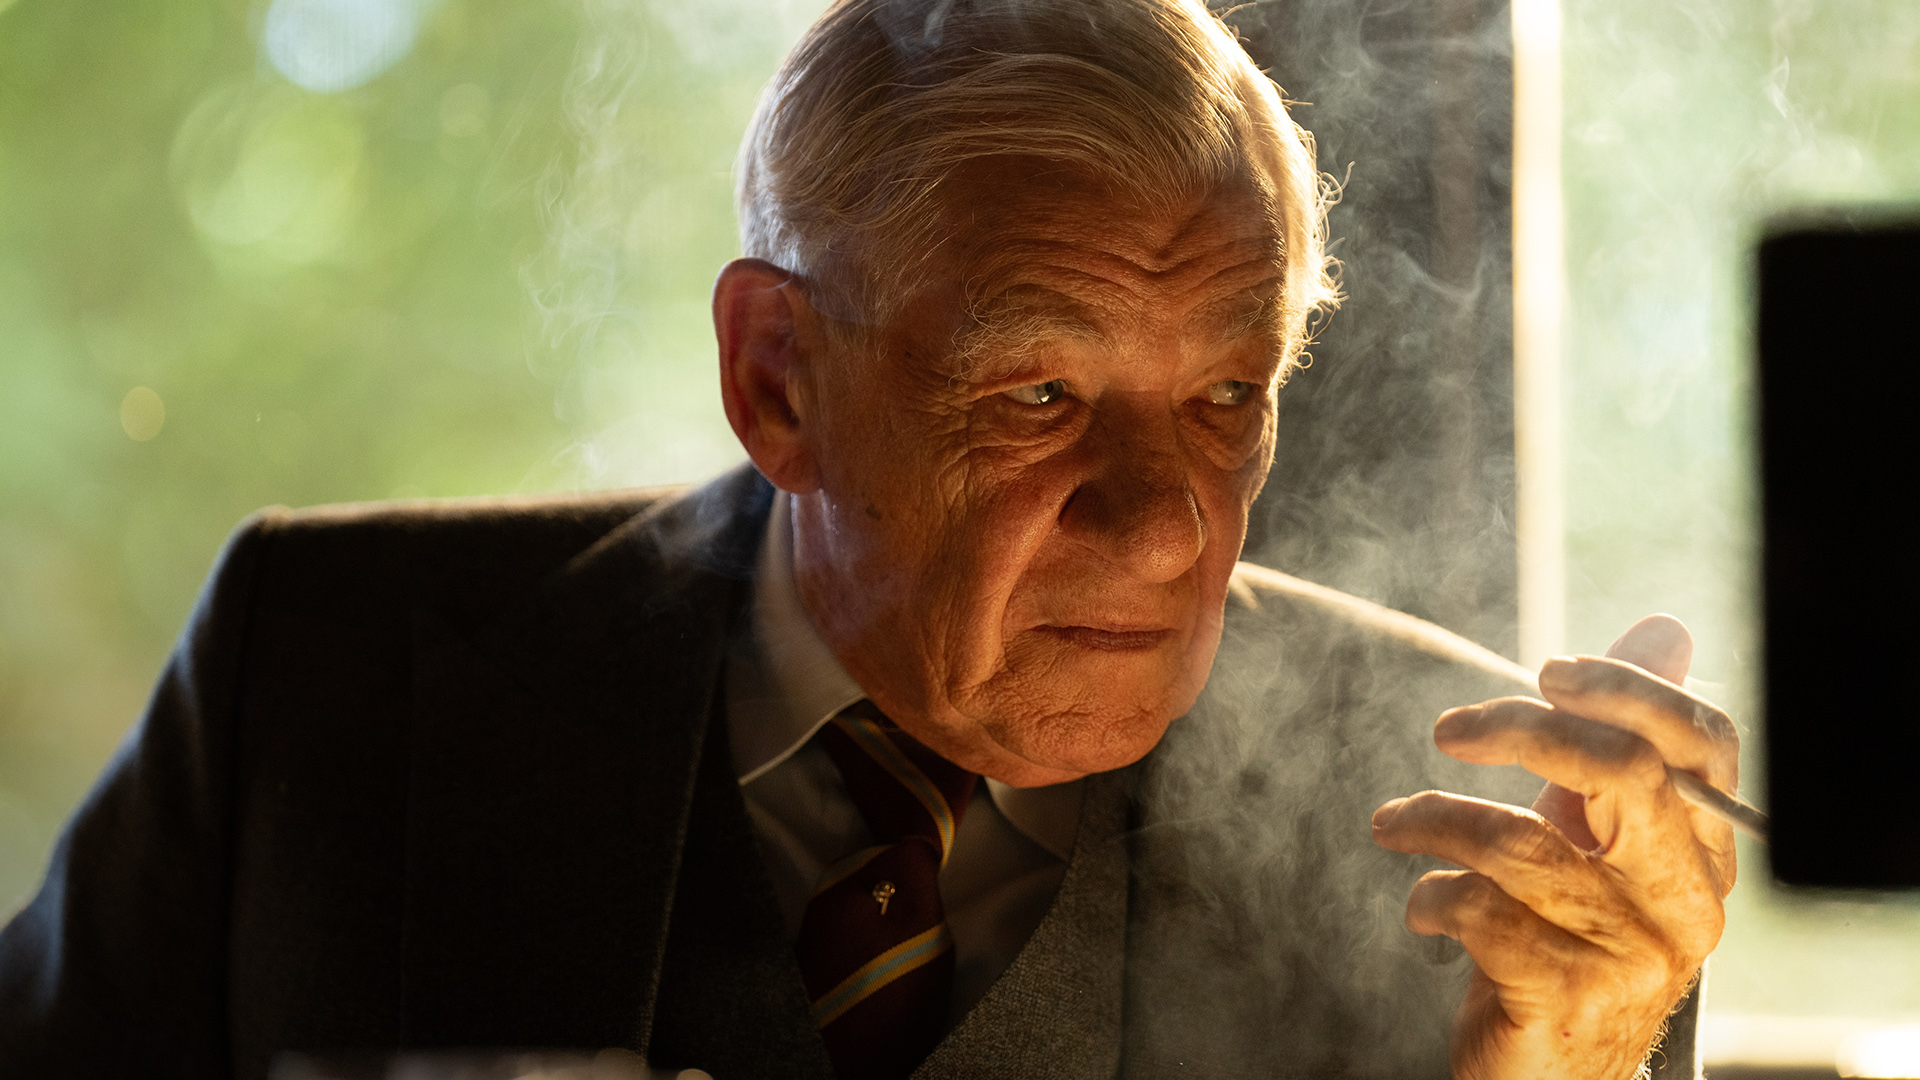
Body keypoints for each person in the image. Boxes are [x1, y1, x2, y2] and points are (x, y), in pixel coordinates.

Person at [0, 0, 1739, 1077]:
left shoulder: (1494, 852)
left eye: (1227, 397)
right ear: (778, 381)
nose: (1163, 529)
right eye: (1042, 394)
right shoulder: (320, 671)